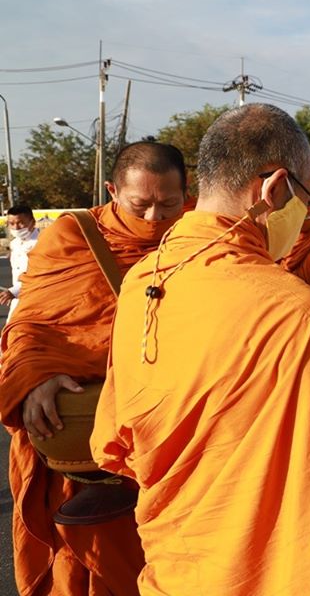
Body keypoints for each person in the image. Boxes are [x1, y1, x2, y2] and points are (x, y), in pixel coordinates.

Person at [90, 104, 310, 596]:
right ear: (274, 189)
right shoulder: (291, 310)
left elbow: (122, 442)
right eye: (307, 199)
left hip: (174, 566)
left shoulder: (143, 279)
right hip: (252, 578)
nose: (306, 216)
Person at [0, 141, 187, 595]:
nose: (153, 219)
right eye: (139, 205)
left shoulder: (203, 237)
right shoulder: (73, 236)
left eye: (169, 204)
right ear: (112, 190)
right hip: (80, 442)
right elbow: (31, 327)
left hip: (173, 439)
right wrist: (37, 376)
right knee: (83, 568)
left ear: (189, 194)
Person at [1, 204, 40, 321]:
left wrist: (15, 291)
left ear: (32, 222)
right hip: (18, 298)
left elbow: (40, 273)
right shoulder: (15, 244)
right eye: (11, 224)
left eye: (20, 223)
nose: (16, 227)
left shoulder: (42, 243)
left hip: (37, 298)